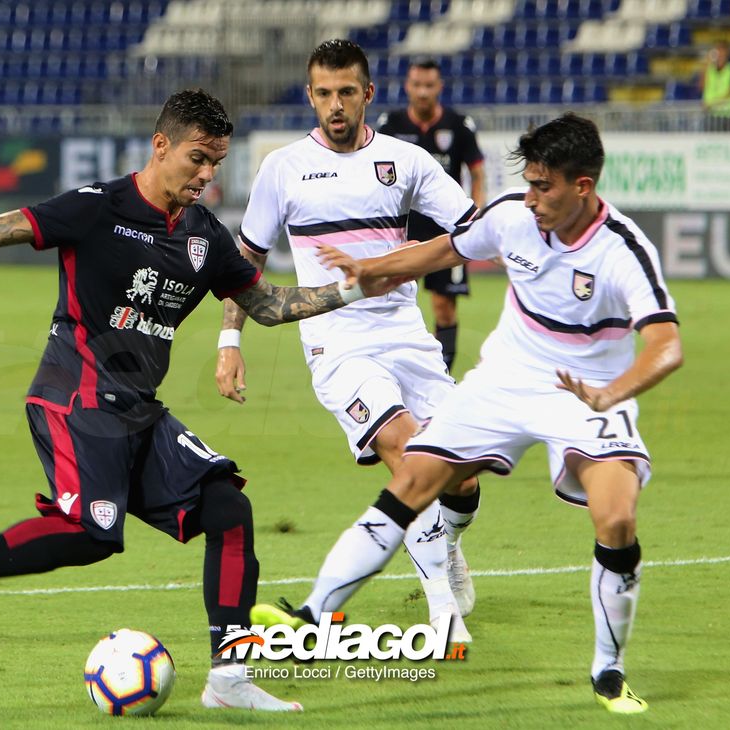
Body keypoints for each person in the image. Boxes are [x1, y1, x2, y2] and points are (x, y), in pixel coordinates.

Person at [0, 89, 399, 713]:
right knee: (92, 532)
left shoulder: (204, 236)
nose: (208, 174)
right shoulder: (96, 207)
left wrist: (352, 290)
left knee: (226, 509)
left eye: (216, 162)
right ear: (161, 145)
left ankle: (229, 678)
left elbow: (267, 305)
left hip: (139, 405)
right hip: (75, 393)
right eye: (198, 158)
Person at [255, 113, 684, 715]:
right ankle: (311, 614)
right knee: (410, 477)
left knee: (616, 519)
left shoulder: (623, 250)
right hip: (506, 379)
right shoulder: (512, 214)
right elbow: (438, 252)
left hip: (589, 390)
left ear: (582, 186)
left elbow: (667, 345)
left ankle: (608, 673)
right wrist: (369, 270)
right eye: (529, 183)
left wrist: (616, 393)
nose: (531, 198)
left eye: (544, 187)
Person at [215, 40, 480, 642]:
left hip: (407, 336)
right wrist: (230, 341)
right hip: (337, 343)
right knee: (408, 453)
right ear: (311, 96)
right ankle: (444, 611)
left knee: (461, 475)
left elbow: (470, 230)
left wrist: (390, 266)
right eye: (324, 94)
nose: (335, 105)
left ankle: (449, 543)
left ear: (368, 94)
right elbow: (244, 263)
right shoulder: (282, 167)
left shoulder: (405, 161)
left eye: (346, 93)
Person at [378, 58, 486, 373]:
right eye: (417, 85)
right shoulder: (391, 125)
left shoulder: (459, 126)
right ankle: (388, 370)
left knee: (443, 306)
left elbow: (477, 174)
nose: (423, 92)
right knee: (389, 301)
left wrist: (473, 221)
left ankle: (442, 376)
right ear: (407, 87)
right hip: (403, 228)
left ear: (439, 87)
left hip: (445, 229)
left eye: (429, 85)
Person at [699, 40, 730, 133]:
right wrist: (705, 66)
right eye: (717, 52)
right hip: (710, 114)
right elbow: (702, 87)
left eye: (722, 53)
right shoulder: (709, 69)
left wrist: (713, 104)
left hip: (726, 114)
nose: (719, 56)